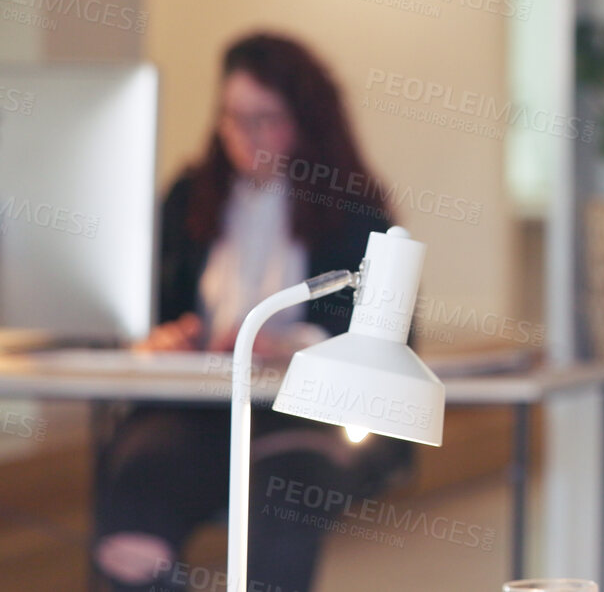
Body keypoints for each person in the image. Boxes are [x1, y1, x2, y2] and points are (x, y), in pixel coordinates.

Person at [92, 32, 413, 592]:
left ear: (305, 121)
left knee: (284, 497)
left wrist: (292, 343)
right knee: (138, 477)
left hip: (305, 415)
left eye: (266, 119)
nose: (248, 136)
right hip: (199, 407)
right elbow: (150, 308)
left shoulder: (353, 210)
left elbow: (384, 336)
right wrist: (167, 337)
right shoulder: (189, 198)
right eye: (234, 118)